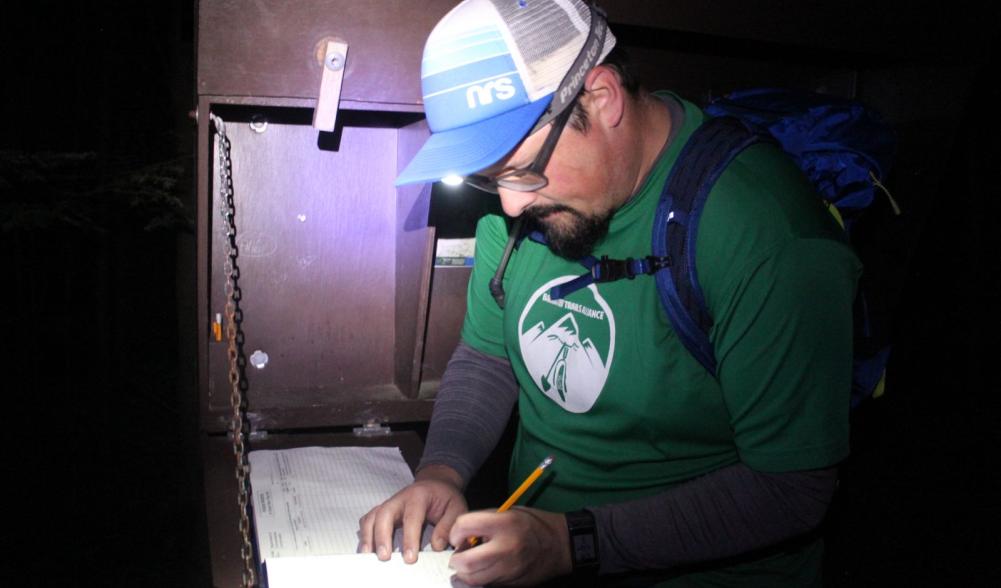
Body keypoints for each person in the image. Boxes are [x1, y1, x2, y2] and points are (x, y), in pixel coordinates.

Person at [358, 1, 860, 586]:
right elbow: (488, 356)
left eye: (520, 171)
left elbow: (791, 490)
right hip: (540, 555)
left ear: (600, 98)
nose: (510, 206)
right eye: (489, 178)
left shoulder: (767, 235)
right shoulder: (520, 210)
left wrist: (575, 543)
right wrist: (443, 472)